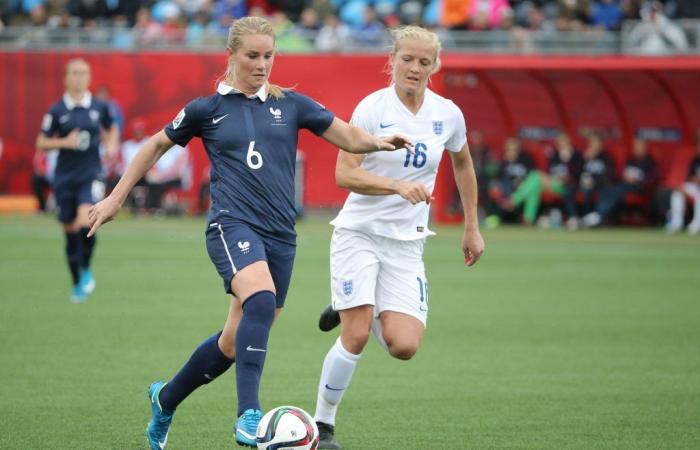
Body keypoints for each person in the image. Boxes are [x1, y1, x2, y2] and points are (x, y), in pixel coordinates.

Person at [85, 16, 410, 450]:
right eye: (252, 55)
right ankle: (248, 418)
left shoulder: (291, 104)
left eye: (268, 56)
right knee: (259, 299)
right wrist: (115, 198)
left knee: (235, 342)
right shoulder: (207, 110)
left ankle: (165, 399)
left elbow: (348, 136)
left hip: (281, 235)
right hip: (231, 224)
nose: (261, 64)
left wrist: (379, 142)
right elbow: (155, 145)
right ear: (232, 55)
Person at [312, 26, 485, 449]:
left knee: (404, 346)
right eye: (407, 59)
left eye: (424, 62)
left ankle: (352, 300)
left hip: (408, 243)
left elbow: (462, 164)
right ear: (392, 60)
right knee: (354, 334)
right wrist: (396, 187)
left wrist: (471, 226)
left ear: (435, 66)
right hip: (360, 233)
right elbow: (343, 173)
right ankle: (324, 426)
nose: (415, 68)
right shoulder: (372, 109)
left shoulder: (448, 113)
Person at [35, 58, 119, 303]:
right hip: (64, 177)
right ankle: (77, 282)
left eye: (84, 73)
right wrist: (64, 142)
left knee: (87, 221)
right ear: (66, 78)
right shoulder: (57, 110)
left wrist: (112, 144)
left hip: (91, 173)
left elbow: (111, 127)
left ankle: (86, 267)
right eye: (75, 73)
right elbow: (41, 143)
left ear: (89, 77)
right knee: (70, 232)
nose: (80, 77)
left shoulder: (100, 106)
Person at [503, 132, 583, 225]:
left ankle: (514, 201)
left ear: (569, 142)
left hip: (567, 186)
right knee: (534, 186)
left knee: (535, 176)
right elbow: (550, 171)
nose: (561, 144)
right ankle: (528, 219)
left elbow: (577, 173)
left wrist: (567, 161)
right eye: (560, 142)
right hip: (554, 183)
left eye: (564, 142)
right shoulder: (555, 155)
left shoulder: (576, 155)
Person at [582, 138, 657, 228]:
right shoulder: (632, 159)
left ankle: (599, 215)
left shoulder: (649, 161)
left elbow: (651, 178)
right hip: (625, 184)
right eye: (635, 146)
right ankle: (600, 215)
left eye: (639, 146)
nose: (637, 148)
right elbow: (624, 173)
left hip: (639, 186)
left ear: (645, 147)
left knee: (615, 190)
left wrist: (638, 180)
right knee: (610, 189)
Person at [667, 136, 700, 234]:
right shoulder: (696, 159)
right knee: (677, 192)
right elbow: (690, 177)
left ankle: (696, 225)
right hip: (694, 186)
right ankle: (676, 224)